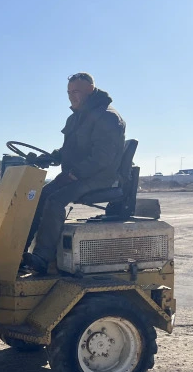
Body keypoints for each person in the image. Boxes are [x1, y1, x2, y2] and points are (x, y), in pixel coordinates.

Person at [22, 72, 126, 274]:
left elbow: (102, 158)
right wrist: (49, 158)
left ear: (90, 90)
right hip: (79, 174)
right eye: (69, 92)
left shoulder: (108, 117)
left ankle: (43, 257)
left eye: (76, 91)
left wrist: (74, 174)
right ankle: (18, 249)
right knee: (38, 195)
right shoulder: (77, 118)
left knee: (55, 200)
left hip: (100, 177)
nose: (71, 96)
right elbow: (70, 149)